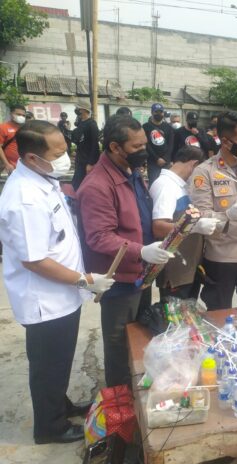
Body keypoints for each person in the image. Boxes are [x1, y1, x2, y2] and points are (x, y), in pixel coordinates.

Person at [0, 120, 114, 444]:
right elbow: (34, 260)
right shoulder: (24, 198)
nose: (67, 157)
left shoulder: (42, 177)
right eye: (59, 152)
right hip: (45, 300)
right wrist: (83, 280)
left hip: (61, 295)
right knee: (49, 364)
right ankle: (50, 427)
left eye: (67, 149)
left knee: (59, 360)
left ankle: (59, 405)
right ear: (33, 157)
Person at [78, 115, 173, 387]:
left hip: (140, 271)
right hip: (119, 279)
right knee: (120, 345)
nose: (144, 151)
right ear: (114, 147)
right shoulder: (98, 185)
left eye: (145, 144)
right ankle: (119, 405)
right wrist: (141, 251)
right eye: (136, 147)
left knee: (140, 337)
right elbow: (98, 237)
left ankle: (136, 392)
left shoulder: (130, 170)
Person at [190, 111, 237, 310]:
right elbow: (201, 216)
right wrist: (227, 216)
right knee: (219, 313)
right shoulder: (205, 172)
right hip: (221, 257)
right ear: (225, 141)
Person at [150, 146, 218, 300]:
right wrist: (194, 227)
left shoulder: (181, 185)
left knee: (189, 317)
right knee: (176, 320)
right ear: (194, 165)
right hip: (175, 271)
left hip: (188, 268)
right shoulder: (165, 186)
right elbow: (158, 227)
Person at [143, 103, 174, 185]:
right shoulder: (145, 127)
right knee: (154, 184)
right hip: (153, 162)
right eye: (156, 112)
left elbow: (171, 145)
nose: (159, 114)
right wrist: (157, 159)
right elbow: (146, 145)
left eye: (161, 112)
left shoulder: (169, 127)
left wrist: (165, 158)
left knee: (167, 185)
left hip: (166, 162)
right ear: (152, 112)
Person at [71, 103, 100, 190]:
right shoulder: (81, 123)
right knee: (77, 183)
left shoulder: (92, 124)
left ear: (84, 110)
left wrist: (91, 163)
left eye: (79, 109)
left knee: (84, 184)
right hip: (80, 158)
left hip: (87, 160)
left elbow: (95, 145)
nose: (77, 111)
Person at [0, 104, 27, 175]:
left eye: (23, 115)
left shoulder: (25, 128)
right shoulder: (3, 127)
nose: (21, 117)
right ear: (11, 114)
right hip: (9, 164)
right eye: (18, 114)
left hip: (22, 164)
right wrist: (6, 164)